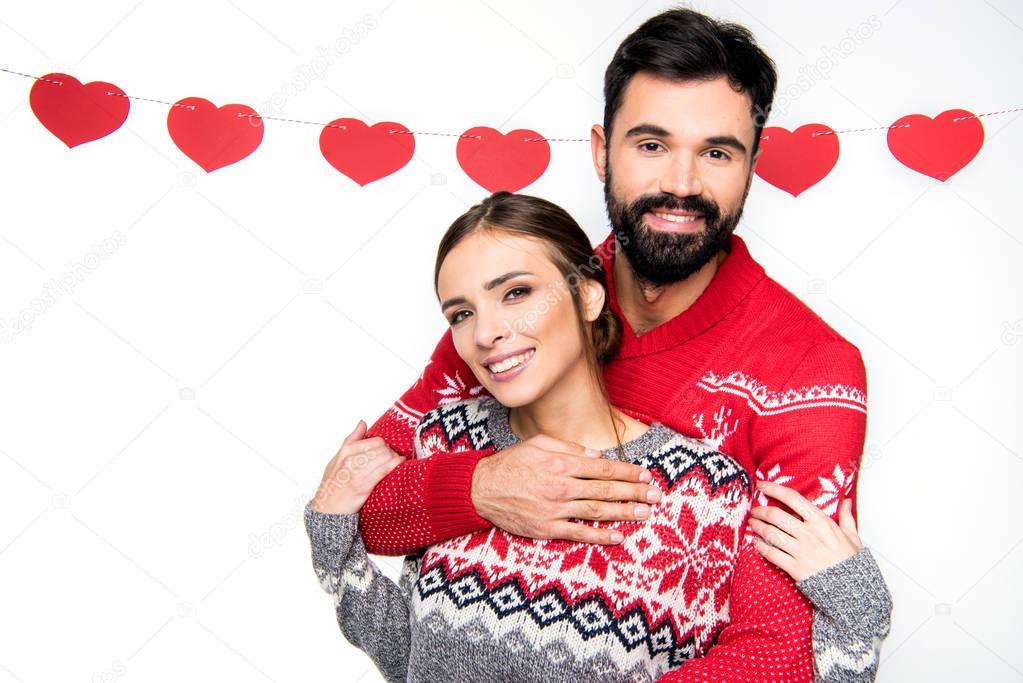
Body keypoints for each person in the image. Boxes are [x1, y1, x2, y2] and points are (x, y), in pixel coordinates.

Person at [335, 7, 893, 681]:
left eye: (716, 151)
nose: (681, 185)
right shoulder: (526, 306)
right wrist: (480, 485)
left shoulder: (809, 370)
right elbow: (361, 509)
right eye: (650, 145)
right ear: (602, 150)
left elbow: (774, 648)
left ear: (752, 164)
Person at [305, 192, 892, 682]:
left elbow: (777, 660)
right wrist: (331, 531)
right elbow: (408, 654)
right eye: (460, 313)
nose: (486, 333)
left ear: (587, 294)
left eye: (516, 293)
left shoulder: (702, 492)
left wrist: (858, 614)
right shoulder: (446, 441)